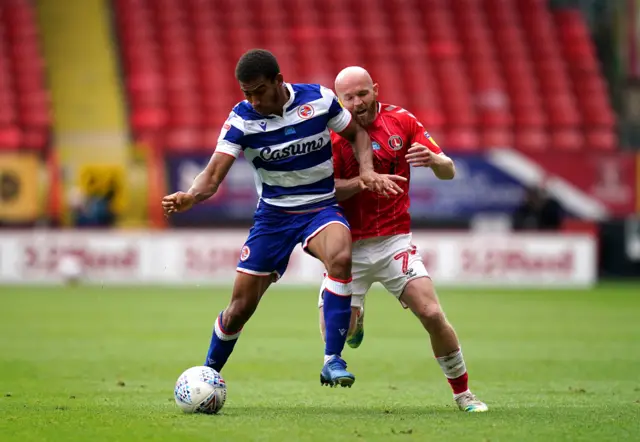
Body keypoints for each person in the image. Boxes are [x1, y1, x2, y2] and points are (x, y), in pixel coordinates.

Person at [162, 49, 403, 388]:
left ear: (278, 80)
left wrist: (366, 171)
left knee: (341, 256)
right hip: (274, 217)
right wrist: (191, 196)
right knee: (239, 308)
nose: (253, 99)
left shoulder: (319, 99)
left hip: (321, 206)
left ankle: (332, 360)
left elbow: (358, 135)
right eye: (246, 92)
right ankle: (207, 375)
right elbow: (213, 174)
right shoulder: (242, 119)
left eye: (258, 90)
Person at [316, 66, 489, 412]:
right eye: (348, 97)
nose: (356, 102)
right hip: (346, 247)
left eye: (362, 93)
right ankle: (355, 321)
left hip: (394, 240)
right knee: (339, 333)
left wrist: (435, 159)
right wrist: (364, 182)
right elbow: (323, 192)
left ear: (375, 90)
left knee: (432, 313)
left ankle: (463, 394)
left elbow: (448, 170)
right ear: (338, 99)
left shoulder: (401, 121)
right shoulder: (328, 135)